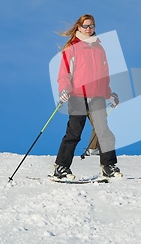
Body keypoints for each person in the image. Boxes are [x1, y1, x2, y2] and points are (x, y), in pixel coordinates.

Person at [53, 14, 121, 180]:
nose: (88, 29)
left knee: (103, 131)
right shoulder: (73, 49)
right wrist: (64, 90)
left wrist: (108, 93)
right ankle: (61, 167)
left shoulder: (99, 49)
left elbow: (103, 75)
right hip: (77, 95)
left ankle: (108, 166)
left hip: (97, 96)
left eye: (91, 26)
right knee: (74, 133)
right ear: (79, 27)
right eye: (85, 26)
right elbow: (64, 75)